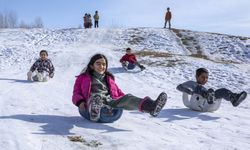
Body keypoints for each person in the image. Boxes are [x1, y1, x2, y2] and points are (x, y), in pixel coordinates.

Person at [72, 54, 167, 123]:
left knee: (128, 97)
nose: (102, 66)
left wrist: (126, 101)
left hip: (109, 104)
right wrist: (80, 102)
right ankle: (95, 111)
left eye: (104, 64)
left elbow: (119, 93)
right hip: (88, 104)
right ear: (92, 66)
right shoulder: (83, 77)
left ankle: (151, 107)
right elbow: (76, 93)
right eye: (98, 64)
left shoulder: (109, 79)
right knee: (96, 97)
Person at [176, 68, 247, 112]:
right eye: (202, 77)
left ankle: (234, 98)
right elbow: (178, 87)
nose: (205, 79)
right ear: (197, 77)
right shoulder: (191, 83)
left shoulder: (205, 88)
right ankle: (209, 96)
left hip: (207, 105)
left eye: (206, 77)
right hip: (195, 105)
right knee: (199, 88)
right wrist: (190, 92)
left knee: (222, 90)